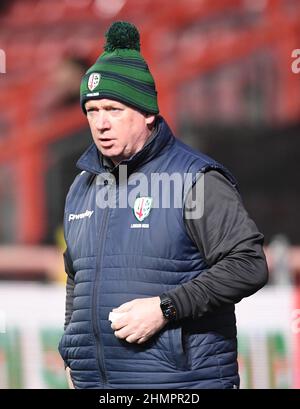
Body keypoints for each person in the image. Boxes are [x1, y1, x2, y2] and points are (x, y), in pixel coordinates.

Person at [58, 21, 268, 389]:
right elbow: (77, 275)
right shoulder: (82, 185)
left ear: (147, 113)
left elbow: (248, 264)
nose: (101, 123)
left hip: (182, 385)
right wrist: (72, 352)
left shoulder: (195, 178)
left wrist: (165, 308)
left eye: (114, 109)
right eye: (92, 111)